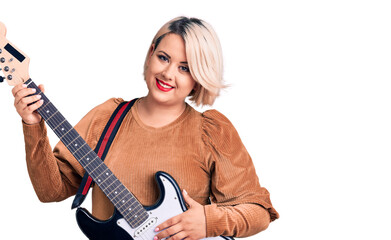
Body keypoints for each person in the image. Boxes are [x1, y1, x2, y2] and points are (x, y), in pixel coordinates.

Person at [12, 16, 279, 239]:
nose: (168, 73)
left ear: (198, 79)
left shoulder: (212, 131)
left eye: (184, 68)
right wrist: (32, 125)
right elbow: (50, 191)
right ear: (151, 53)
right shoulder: (107, 117)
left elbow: (258, 211)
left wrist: (209, 220)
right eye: (164, 57)